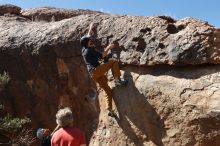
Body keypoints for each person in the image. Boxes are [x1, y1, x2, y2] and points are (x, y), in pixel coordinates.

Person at [80, 23, 128, 117]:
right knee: (114, 61)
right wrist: (109, 47)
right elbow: (103, 55)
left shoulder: (84, 49)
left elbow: (87, 37)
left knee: (108, 91)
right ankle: (117, 80)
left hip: (94, 74)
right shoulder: (90, 50)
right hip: (96, 70)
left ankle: (109, 109)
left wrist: (90, 28)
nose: (91, 40)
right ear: (88, 43)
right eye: (90, 40)